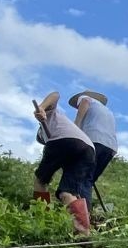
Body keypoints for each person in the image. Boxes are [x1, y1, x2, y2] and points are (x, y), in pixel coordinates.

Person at [32, 91, 94, 233]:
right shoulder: (64, 122)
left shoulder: (49, 117)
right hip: (88, 148)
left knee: (40, 181)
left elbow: (56, 94)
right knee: (67, 191)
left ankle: (43, 221)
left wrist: (41, 107)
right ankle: (83, 232)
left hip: (62, 140)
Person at [70, 89, 117, 206]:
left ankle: (84, 216)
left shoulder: (85, 99)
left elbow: (84, 102)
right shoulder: (107, 111)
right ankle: (86, 213)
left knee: (83, 179)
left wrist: (75, 128)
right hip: (110, 147)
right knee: (88, 181)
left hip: (94, 141)